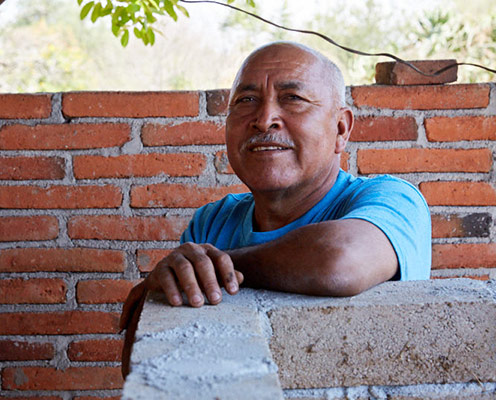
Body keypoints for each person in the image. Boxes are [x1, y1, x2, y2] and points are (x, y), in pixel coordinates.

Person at [120, 41, 431, 376]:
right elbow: (145, 365)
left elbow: (338, 261)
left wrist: (221, 265)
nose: (264, 119)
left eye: (293, 99)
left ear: (341, 129)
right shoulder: (213, 222)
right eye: (246, 101)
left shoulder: (392, 199)